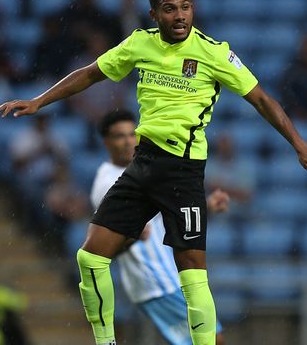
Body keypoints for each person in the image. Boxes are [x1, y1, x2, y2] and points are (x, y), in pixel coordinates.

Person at [0, 0, 307, 345]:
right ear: (154, 14)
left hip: (182, 170)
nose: (179, 15)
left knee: (192, 274)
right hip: (142, 166)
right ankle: (106, 342)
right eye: (170, 8)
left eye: (185, 7)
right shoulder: (140, 43)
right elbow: (91, 73)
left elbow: (262, 100)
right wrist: (38, 101)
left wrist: (300, 145)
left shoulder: (215, 52)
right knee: (90, 258)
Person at [91, 109, 228, 345]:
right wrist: (132, 236)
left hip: (167, 277)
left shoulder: (142, 170)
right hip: (156, 280)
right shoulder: (108, 183)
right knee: (211, 339)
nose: (127, 142)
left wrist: (205, 207)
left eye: (131, 135)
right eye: (119, 136)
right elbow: (103, 249)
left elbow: (165, 216)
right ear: (106, 142)